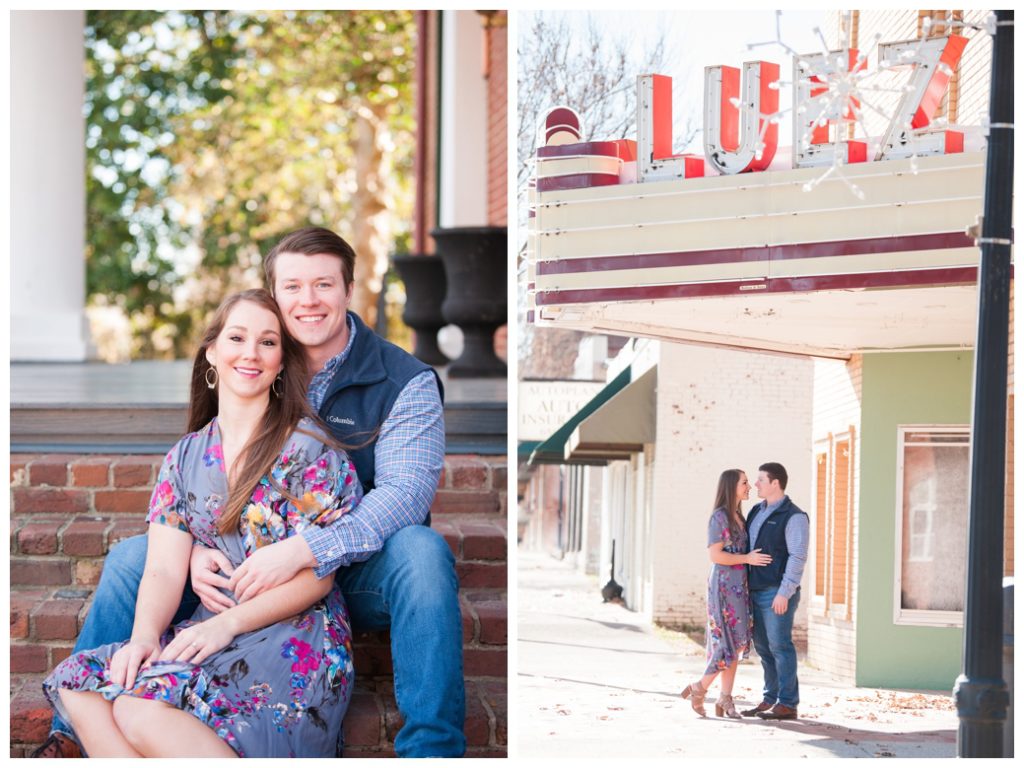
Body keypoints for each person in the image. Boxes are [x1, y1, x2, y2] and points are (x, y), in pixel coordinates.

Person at [35, 227, 464, 758]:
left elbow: (404, 496)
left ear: (349, 290)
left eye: (324, 284)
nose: (308, 300)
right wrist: (193, 549)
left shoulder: (401, 381)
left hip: (349, 567)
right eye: (292, 287)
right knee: (134, 558)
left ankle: (433, 748)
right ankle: (72, 733)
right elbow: (193, 510)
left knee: (422, 552)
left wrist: (308, 551)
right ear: (273, 297)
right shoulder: (228, 403)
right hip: (244, 566)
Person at [43, 289, 362, 757]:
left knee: (138, 712)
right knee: (81, 687)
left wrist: (227, 625)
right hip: (210, 628)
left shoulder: (310, 451)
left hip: (292, 635)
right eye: (237, 337)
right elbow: (165, 568)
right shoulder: (186, 456)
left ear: (280, 363)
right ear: (212, 350)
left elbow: (318, 577)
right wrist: (144, 639)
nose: (251, 353)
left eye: (268, 342)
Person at [681, 469, 771, 718]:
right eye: (744, 482)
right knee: (725, 643)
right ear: (732, 486)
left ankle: (725, 699)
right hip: (722, 587)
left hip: (739, 586)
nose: (749, 486)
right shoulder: (719, 517)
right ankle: (700, 688)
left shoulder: (740, 517)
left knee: (739, 641)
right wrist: (747, 558)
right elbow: (715, 555)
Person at [739, 462, 808, 721]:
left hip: (776, 592)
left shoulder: (795, 516)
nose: (756, 484)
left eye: (760, 480)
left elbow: (798, 556)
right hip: (754, 590)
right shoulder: (756, 510)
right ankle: (771, 698)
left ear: (775, 483)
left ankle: (788, 703)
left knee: (780, 646)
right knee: (764, 648)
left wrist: (785, 591)